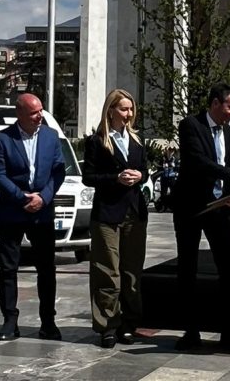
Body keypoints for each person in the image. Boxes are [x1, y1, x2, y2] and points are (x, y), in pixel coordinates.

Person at [171, 82, 230, 353]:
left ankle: (229, 333)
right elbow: (197, 161)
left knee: (228, 269)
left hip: (219, 209)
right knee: (188, 268)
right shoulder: (191, 126)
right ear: (215, 103)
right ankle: (191, 332)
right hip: (191, 209)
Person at [0, 93, 65, 342]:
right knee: (8, 268)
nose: (39, 115)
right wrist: (22, 198)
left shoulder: (51, 137)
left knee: (46, 268)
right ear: (19, 114)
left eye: (41, 110)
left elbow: (58, 172)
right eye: (33, 112)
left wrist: (43, 197)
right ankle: (10, 321)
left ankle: (48, 322)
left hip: (42, 212)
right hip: (13, 211)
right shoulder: (3, 139)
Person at [82, 89, 149, 348]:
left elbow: (143, 168)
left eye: (131, 109)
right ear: (110, 110)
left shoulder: (137, 140)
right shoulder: (97, 141)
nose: (128, 114)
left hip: (134, 212)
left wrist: (140, 176)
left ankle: (129, 323)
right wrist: (115, 178)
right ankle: (107, 325)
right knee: (107, 271)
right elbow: (89, 177)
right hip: (108, 213)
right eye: (123, 109)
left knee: (131, 271)